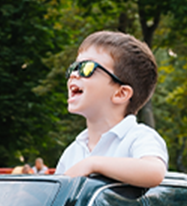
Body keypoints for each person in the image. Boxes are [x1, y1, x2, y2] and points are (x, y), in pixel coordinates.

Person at [55, 31, 168, 188]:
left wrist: (94, 163)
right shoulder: (73, 151)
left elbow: (154, 172)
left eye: (86, 68)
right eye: (74, 67)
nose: (74, 74)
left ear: (120, 93)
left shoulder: (139, 137)